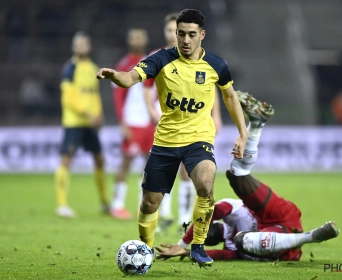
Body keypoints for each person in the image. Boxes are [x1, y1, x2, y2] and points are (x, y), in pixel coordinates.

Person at [97, 9, 248, 267]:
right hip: (166, 141)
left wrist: (242, 134)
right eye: (181, 34)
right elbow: (131, 77)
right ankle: (146, 246)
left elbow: (230, 96)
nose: (185, 40)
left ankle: (197, 246)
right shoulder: (161, 59)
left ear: (202, 35)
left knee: (205, 183)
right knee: (149, 203)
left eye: (191, 35)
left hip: (199, 139)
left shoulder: (216, 64)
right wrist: (116, 77)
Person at [155, 92, 339, 261]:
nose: (205, 234)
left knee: (236, 175)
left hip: (277, 214)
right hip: (283, 243)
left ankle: (256, 123)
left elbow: (211, 211)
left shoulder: (229, 210)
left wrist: (183, 244)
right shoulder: (230, 244)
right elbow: (226, 254)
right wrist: (190, 251)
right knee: (242, 241)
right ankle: (311, 237)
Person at [143, 13, 223, 231]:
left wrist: (216, 116)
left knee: (188, 172)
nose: (175, 35)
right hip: (166, 121)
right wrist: (151, 111)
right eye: (172, 31)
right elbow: (146, 88)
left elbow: (209, 88)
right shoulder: (158, 57)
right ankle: (165, 214)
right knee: (163, 173)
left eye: (175, 30)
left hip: (193, 125)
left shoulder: (201, 59)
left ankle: (185, 218)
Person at [55, 31, 108, 218]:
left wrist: (99, 114)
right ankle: (61, 204)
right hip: (74, 122)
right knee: (66, 160)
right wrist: (87, 114)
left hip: (90, 122)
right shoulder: (70, 68)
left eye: (84, 43)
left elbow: (94, 94)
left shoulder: (93, 67)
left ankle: (104, 203)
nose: (81, 47)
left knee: (100, 160)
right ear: (73, 47)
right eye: (78, 44)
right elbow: (68, 97)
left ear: (89, 46)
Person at [110, 28, 152, 220]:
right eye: (134, 37)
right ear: (129, 40)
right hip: (132, 121)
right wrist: (123, 122)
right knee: (126, 161)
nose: (137, 40)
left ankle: (142, 204)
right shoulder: (124, 64)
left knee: (149, 165)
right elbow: (118, 96)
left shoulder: (150, 62)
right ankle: (117, 204)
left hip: (149, 122)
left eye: (140, 36)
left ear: (145, 39)